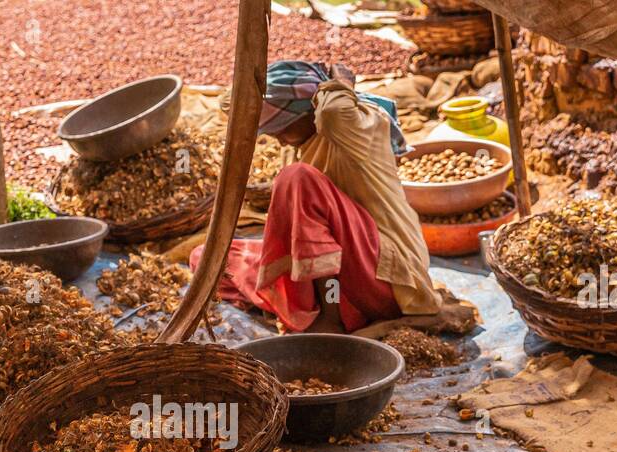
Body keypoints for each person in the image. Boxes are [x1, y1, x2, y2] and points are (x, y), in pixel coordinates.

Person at [201, 60, 479, 336]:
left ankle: (330, 318)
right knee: (209, 260)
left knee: (296, 178)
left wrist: (340, 83)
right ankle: (327, 309)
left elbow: (334, 110)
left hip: (386, 275)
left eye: (280, 131)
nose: (280, 141)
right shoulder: (311, 139)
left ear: (307, 113)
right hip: (347, 280)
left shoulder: (356, 125)